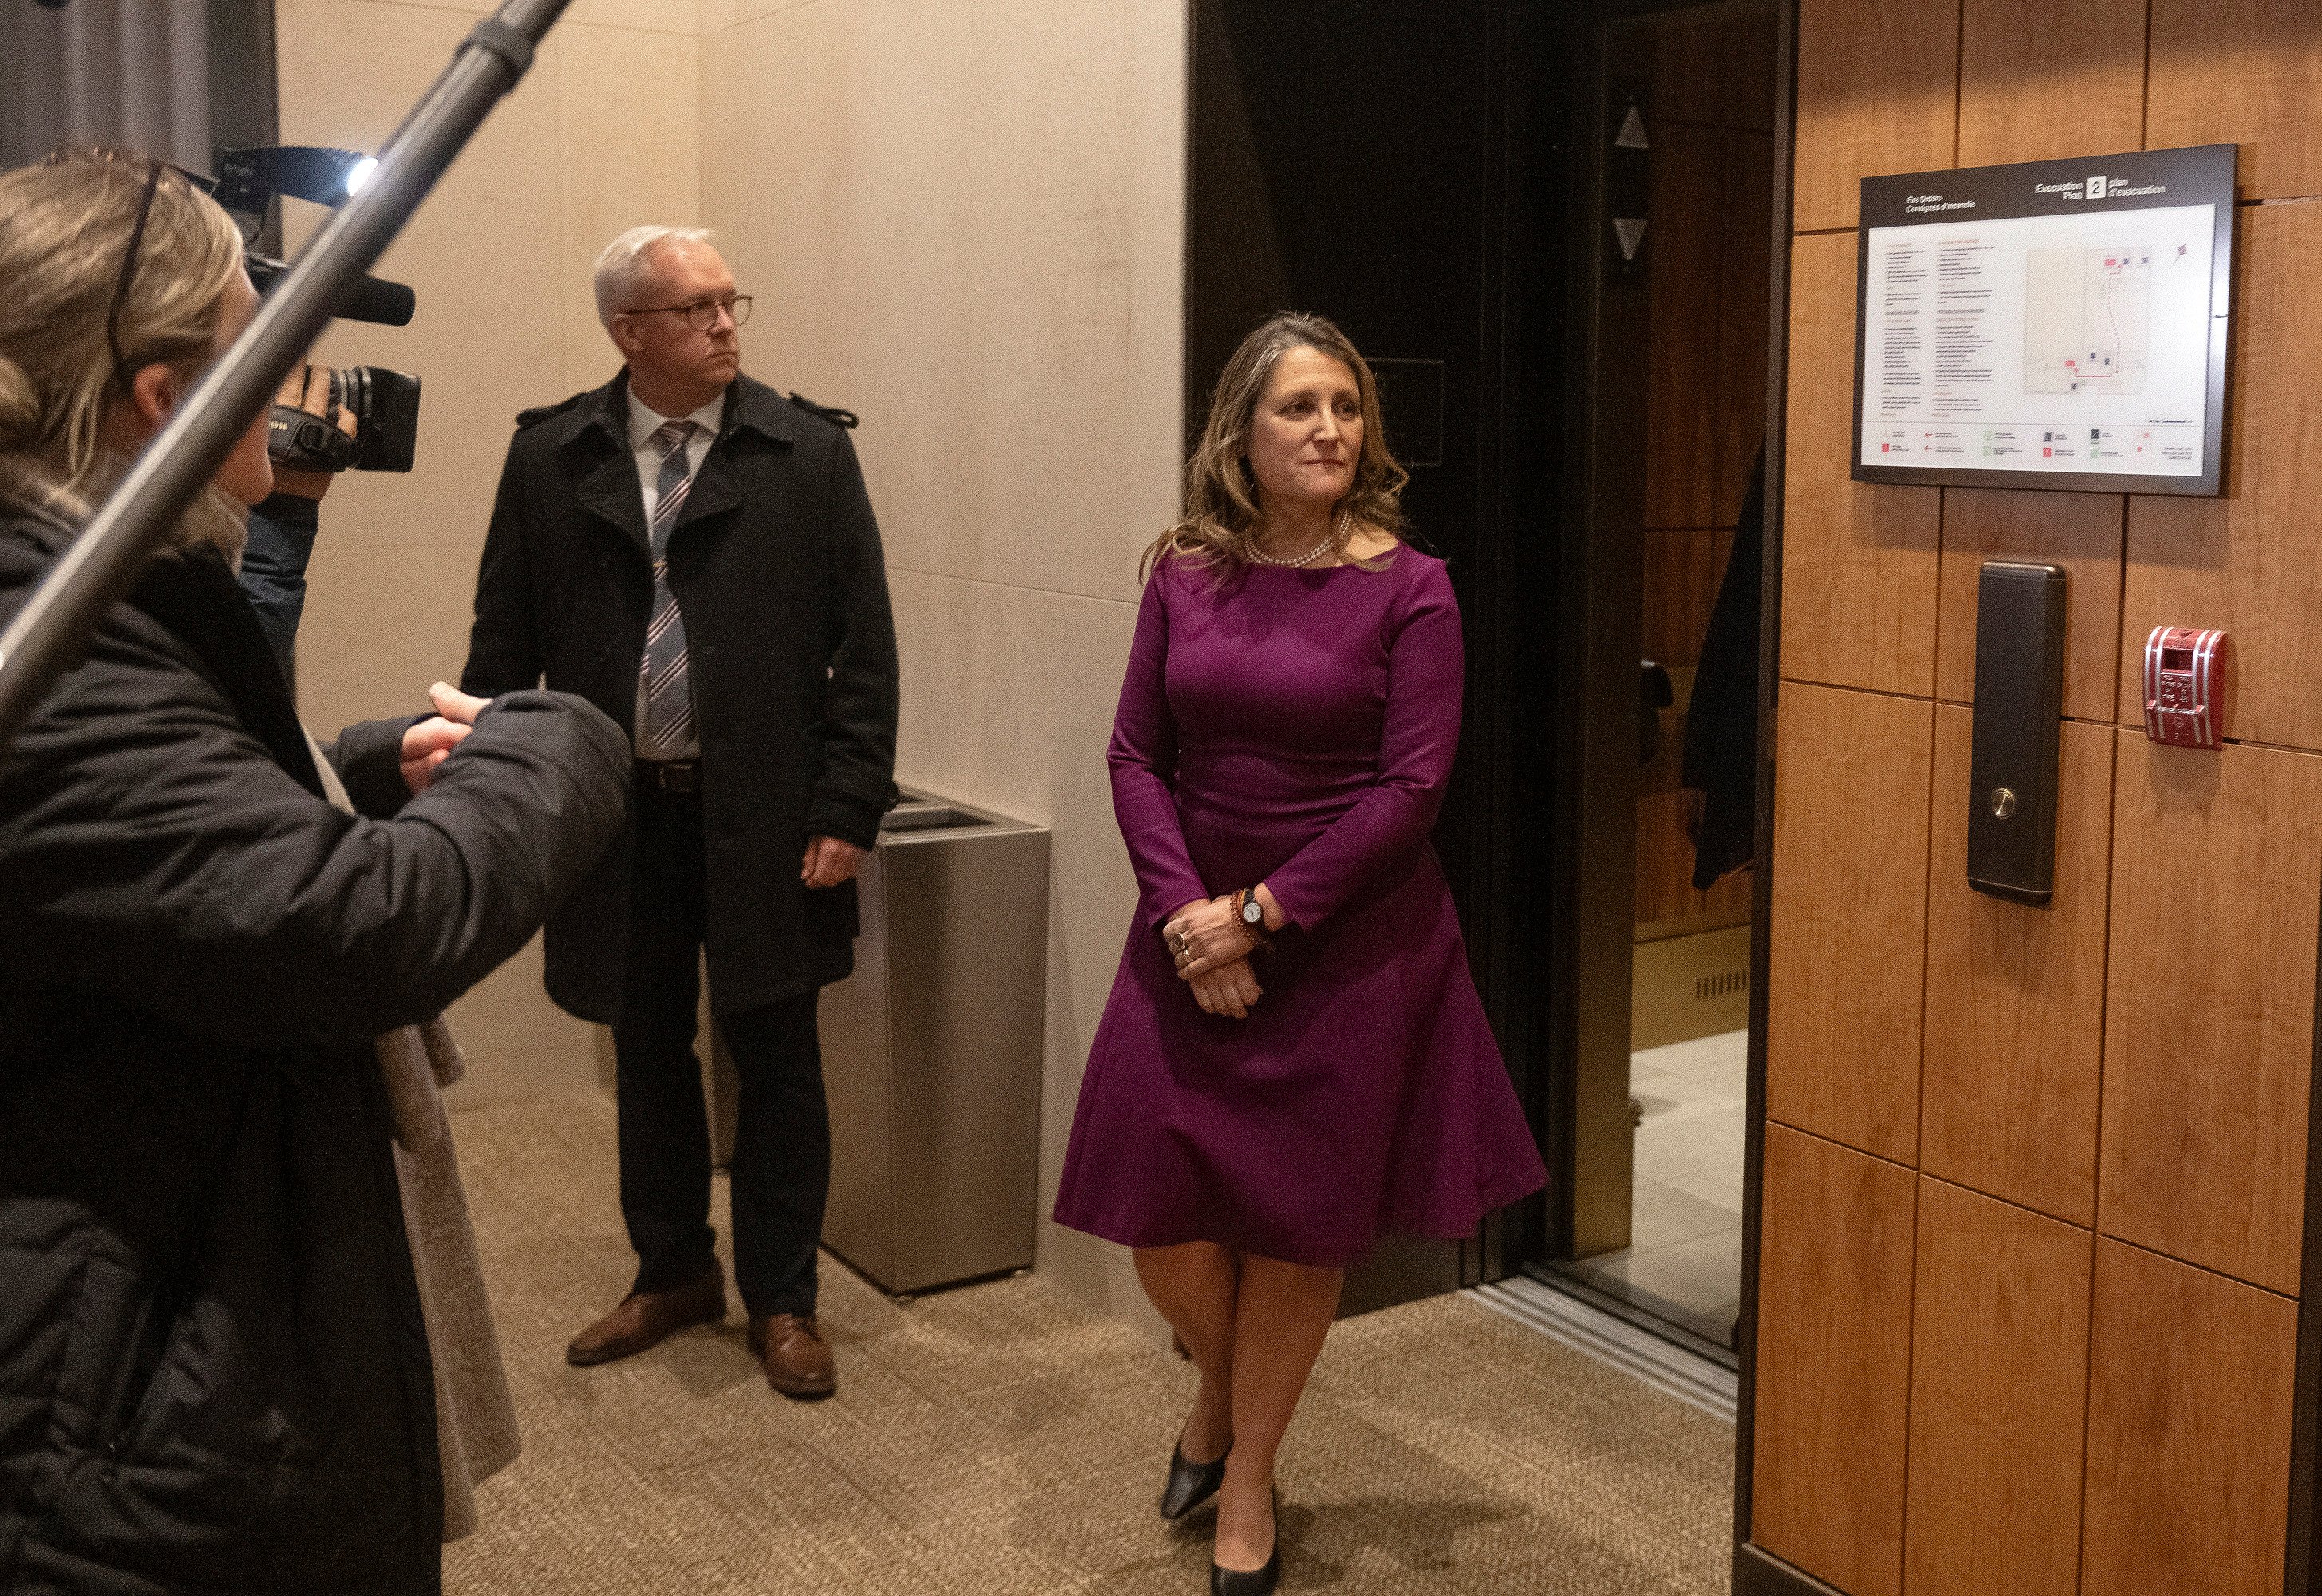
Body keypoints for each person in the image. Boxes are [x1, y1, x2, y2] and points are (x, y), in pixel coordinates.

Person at [0, 148, 631, 1595]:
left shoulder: (77, 585)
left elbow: (138, 869)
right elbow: (353, 929)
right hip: (122, 1411)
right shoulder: (50, 635)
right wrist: (560, 735)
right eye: (259, 341)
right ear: (165, 404)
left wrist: (344, 777)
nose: (299, 382)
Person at [1052, 312, 1549, 1595]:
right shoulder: (1182, 569)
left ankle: (1250, 1475)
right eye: (1298, 408)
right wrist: (1187, 915)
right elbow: (1132, 755)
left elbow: (1411, 787)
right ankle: (1216, 1398)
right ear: (1242, 430)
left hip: (1348, 948)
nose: (1328, 429)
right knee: (1154, 1217)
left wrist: (1260, 915)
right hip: (1184, 929)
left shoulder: (1410, 586)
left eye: (1344, 407)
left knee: (1293, 1234)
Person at [461, 225, 899, 1399]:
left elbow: (865, 652)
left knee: (778, 1056)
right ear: (628, 332)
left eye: (728, 300)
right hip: (619, 816)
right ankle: (671, 1271)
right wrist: (509, 805)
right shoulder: (550, 456)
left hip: (769, 813)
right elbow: (503, 649)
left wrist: (849, 805)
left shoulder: (804, 452)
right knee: (644, 1048)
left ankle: (786, 1299)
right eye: (694, 307)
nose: (723, 323)